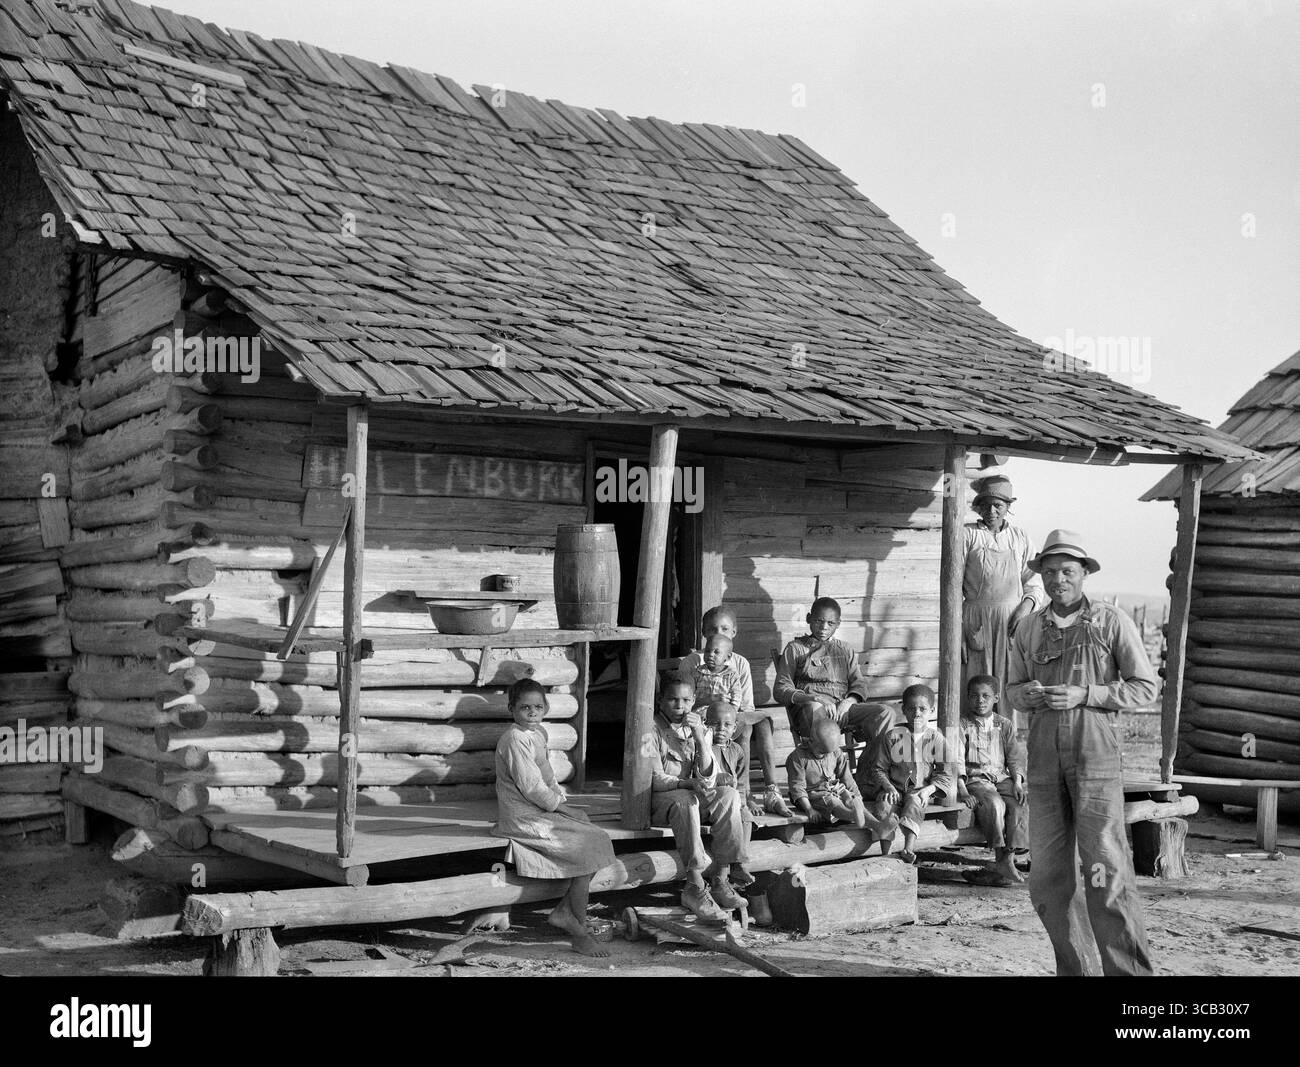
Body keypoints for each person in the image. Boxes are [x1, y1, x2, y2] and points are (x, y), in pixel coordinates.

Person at [1006, 528, 1157, 977]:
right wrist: (1025, 696)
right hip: (1044, 762)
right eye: (1049, 572)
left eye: (1067, 571)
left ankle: (1127, 976)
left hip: (1095, 759)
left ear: (1084, 574)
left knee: (1105, 871)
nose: (1058, 580)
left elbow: (1145, 687)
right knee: (1049, 879)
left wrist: (1086, 693)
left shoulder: (1111, 621)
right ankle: (1078, 971)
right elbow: (1010, 689)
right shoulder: (1029, 628)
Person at [492, 678, 615, 957]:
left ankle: (564, 912)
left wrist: (563, 802)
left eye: (538, 706)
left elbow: (547, 778)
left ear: (546, 707)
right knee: (593, 841)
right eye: (525, 707)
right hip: (524, 816)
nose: (532, 712)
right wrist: (562, 809)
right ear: (512, 709)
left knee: (595, 837)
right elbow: (532, 787)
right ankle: (578, 930)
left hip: (540, 810)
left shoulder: (537, 734)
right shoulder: (514, 739)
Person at [650, 679, 751, 920]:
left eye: (686, 700)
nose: (680, 705)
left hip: (692, 795)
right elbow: (653, 779)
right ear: (661, 701)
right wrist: (684, 783)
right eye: (673, 699)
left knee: (728, 795)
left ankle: (721, 879)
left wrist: (698, 736)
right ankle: (694, 885)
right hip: (662, 800)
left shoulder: (700, 729)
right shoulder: (649, 729)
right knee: (687, 799)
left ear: (694, 702)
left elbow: (709, 777)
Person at [678, 606, 791, 816]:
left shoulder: (740, 664)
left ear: (734, 633)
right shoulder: (693, 662)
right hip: (705, 720)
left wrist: (732, 713)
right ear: (703, 633)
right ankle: (744, 794)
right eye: (712, 630)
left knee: (761, 723)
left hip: (733, 716)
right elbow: (684, 699)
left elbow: (745, 704)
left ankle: (771, 791)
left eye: (724, 628)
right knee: (745, 730)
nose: (718, 634)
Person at [962, 475, 1046, 718]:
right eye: (986, 504)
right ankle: (972, 744)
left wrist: (1025, 608)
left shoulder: (1020, 538)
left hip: (1012, 622)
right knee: (977, 684)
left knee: (1010, 681)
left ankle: (1007, 741)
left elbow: (1034, 581)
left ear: (1008, 507)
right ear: (978, 506)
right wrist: (958, 631)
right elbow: (952, 586)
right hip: (976, 621)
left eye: (998, 505)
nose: (991, 510)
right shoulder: (968, 535)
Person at [773, 596, 898, 755]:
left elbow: (859, 684)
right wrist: (814, 699)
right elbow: (781, 688)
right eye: (818, 621)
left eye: (830, 623)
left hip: (842, 709)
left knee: (885, 712)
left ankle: (873, 768)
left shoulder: (845, 650)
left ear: (838, 624)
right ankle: (828, 771)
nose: (824, 627)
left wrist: (848, 702)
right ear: (808, 618)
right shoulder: (796, 649)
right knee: (816, 707)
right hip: (811, 712)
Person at [865, 684, 953, 863]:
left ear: (932, 710)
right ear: (904, 710)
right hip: (893, 788)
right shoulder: (892, 736)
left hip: (919, 789)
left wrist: (929, 790)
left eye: (922, 709)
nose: (917, 713)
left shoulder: (936, 739)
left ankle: (908, 849)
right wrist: (888, 787)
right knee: (884, 806)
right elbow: (878, 768)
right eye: (911, 709)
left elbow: (945, 774)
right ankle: (886, 855)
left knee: (914, 802)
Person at [957, 674, 1027, 885]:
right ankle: (1000, 855)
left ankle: (1008, 859)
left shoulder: (1004, 725)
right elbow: (957, 759)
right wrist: (963, 790)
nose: (980, 700)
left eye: (986, 696)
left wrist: (1017, 781)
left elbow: (1014, 757)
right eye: (975, 696)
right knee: (995, 805)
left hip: (1002, 777)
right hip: (976, 780)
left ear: (996, 698)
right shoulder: (961, 725)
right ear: (968, 698)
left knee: (1019, 804)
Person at [786, 716, 899, 838]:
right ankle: (859, 818)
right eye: (822, 752)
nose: (825, 756)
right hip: (810, 795)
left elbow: (847, 778)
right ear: (811, 740)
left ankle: (874, 824)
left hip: (832, 789)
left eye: (828, 753)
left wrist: (857, 798)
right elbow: (797, 788)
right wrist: (809, 809)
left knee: (850, 798)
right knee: (832, 801)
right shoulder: (798, 758)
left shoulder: (835, 752)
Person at [704, 699, 757, 889]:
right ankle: (722, 874)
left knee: (746, 816)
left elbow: (741, 782)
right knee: (732, 812)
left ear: (735, 728)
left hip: (732, 803)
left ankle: (740, 865)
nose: (721, 728)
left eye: (727, 725)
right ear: (705, 724)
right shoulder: (703, 747)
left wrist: (743, 802)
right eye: (715, 723)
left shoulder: (737, 750)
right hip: (709, 803)